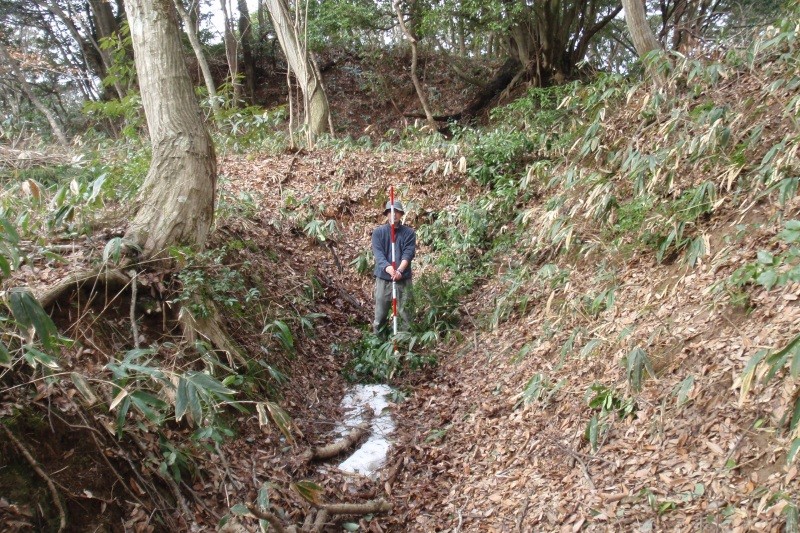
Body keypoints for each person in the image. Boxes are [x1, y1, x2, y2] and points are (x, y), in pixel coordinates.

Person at [371, 199, 416, 338]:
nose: (393, 214)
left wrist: (399, 271)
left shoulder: (409, 233)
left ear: (401, 214)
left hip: (403, 279)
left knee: (406, 315)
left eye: (396, 212)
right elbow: (379, 255)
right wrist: (390, 269)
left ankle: (404, 344)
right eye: (390, 212)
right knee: (380, 316)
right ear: (386, 214)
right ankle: (379, 344)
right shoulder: (378, 233)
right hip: (384, 279)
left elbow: (408, 254)